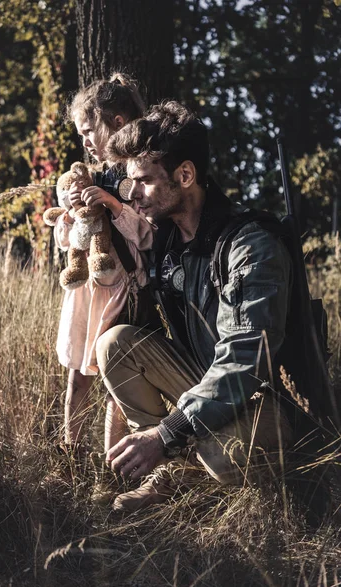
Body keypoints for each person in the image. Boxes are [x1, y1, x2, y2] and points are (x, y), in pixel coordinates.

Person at [96, 100, 295, 512]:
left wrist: (165, 433)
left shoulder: (248, 244)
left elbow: (245, 363)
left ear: (185, 175)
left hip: (263, 400)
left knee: (225, 456)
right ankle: (171, 472)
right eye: (128, 182)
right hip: (205, 386)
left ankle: (178, 461)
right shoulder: (166, 241)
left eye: (145, 181)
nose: (133, 194)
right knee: (116, 344)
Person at [54, 73, 156, 461]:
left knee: (117, 380)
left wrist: (114, 206)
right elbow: (65, 242)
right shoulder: (90, 175)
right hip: (87, 294)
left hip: (123, 291)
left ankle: (112, 465)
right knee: (77, 375)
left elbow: (148, 237)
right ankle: (70, 455)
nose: (83, 142)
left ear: (115, 123)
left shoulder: (142, 176)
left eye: (87, 131)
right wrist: (71, 214)